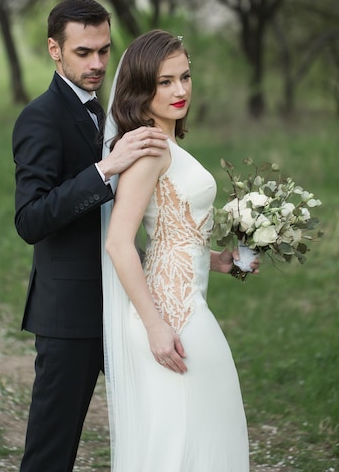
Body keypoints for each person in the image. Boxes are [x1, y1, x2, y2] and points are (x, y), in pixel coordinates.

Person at [12, 0, 168, 472]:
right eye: (84, 52)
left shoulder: (109, 111)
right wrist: (104, 169)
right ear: (54, 51)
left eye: (104, 50)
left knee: (149, 434)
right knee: (50, 453)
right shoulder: (40, 118)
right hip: (69, 315)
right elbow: (30, 219)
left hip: (124, 303)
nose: (98, 63)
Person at [102, 29, 259, 472]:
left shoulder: (166, 143)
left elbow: (167, 234)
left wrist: (219, 260)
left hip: (184, 307)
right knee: (189, 437)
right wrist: (155, 326)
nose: (180, 90)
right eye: (164, 81)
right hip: (171, 318)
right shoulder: (150, 148)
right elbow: (118, 242)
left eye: (184, 76)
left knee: (198, 432)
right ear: (141, 88)